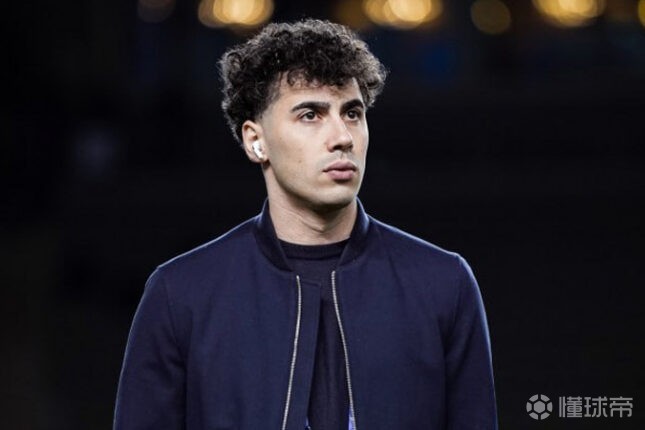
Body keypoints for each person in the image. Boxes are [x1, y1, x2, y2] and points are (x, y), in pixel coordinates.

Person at [114, 19, 497, 430]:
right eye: (311, 114)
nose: (342, 137)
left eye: (352, 113)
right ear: (255, 141)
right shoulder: (181, 294)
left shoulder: (444, 284)